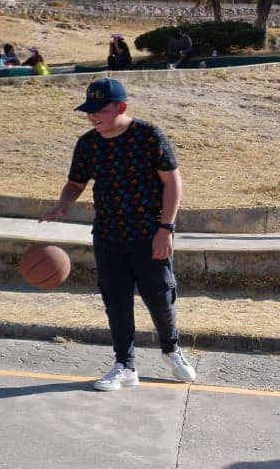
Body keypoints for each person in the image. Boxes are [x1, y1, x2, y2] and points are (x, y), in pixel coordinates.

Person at [41, 78, 197, 391]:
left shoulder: (147, 135)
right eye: (88, 111)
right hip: (109, 234)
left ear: (121, 107)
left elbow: (173, 182)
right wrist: (63, 204)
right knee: (116, 300)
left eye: (99, 110)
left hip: (150, 232)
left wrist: (165, 229)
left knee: (160, 297)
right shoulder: (88, 143)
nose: (92, 116)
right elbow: (76, 182)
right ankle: (125, 366)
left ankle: (171, 350)